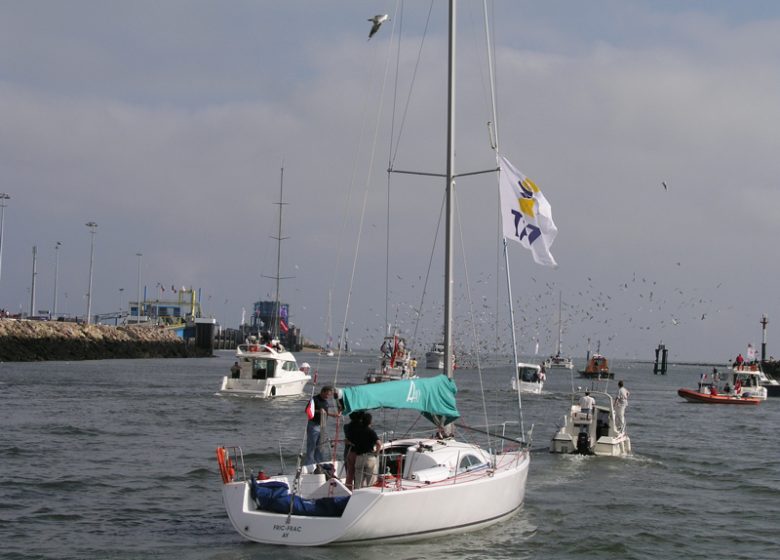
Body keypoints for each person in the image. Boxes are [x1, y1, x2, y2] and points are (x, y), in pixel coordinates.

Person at [305, 385, 340, 467]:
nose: (328, 396)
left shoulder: (325, 402)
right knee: (312, 446)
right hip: (313, 425)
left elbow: (325, 413)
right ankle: (309, 465)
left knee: (321, 447)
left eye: (329, 395)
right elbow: (307, 410)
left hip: (323, 426)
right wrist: (318, 410)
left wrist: (332, 415)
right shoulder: (314, 399)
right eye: (327, 394)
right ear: (322, 392)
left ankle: (319, 465)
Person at [351, 412, 381, 489]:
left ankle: (357, 496)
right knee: (371, 481)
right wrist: (376, 453)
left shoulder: (357, 431)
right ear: (370, 422)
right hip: (369, 457)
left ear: (362, 421)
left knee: (358, 482)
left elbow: (351, 441)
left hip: (359, 457)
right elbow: (379, 443)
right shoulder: (371, 432)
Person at [343, 411, 364, 490]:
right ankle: (356, 490)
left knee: (349, 474)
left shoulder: (346, 427)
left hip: (348, 451)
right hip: (358, 453)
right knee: (358, 474)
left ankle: (348, 490)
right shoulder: (362, 428)